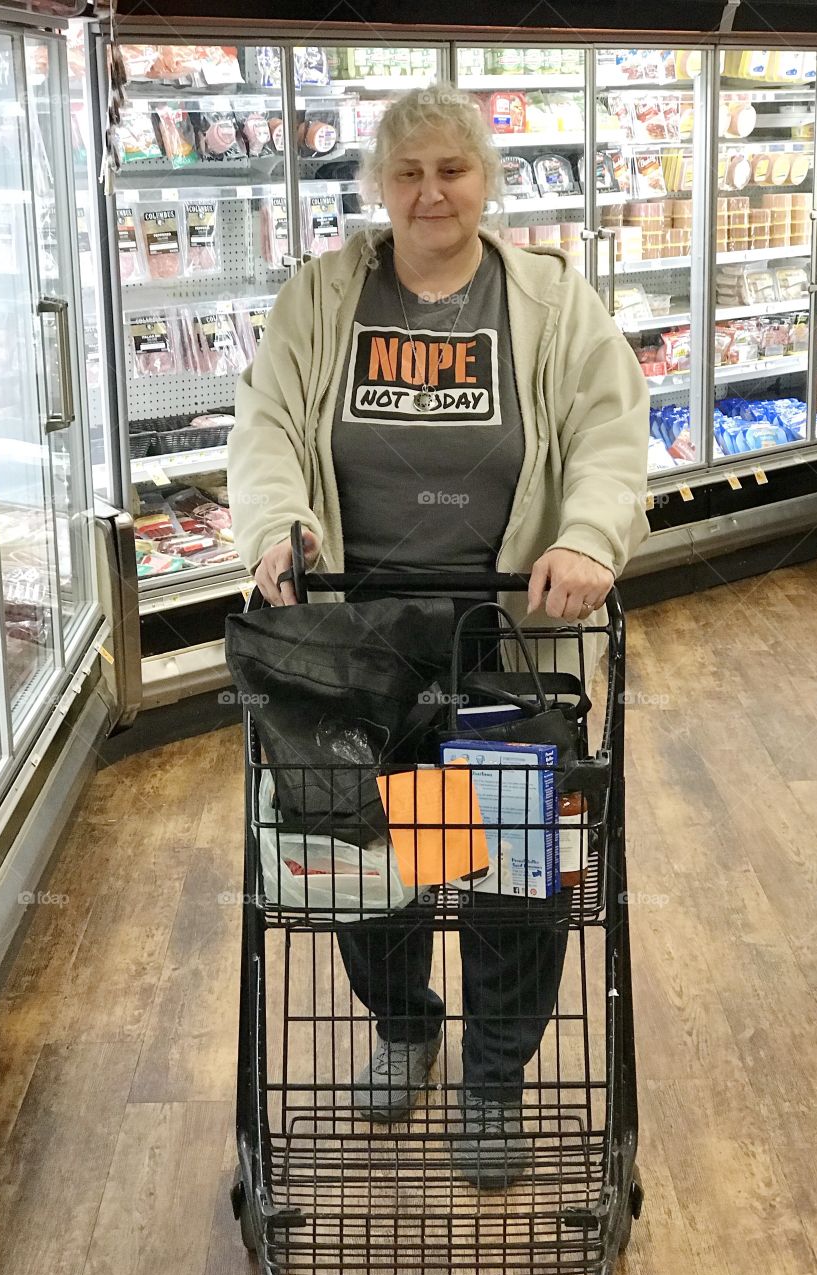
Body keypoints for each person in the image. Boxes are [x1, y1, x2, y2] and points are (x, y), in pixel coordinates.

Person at [228, 82, 650, 1188]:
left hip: (509, 639)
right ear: (378, 185)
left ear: (484, 182)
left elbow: (611, 430)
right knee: (369, 852)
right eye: (408, 172)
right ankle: (407, 1024)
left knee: (514, 869)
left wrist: (593, 535)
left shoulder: (552, 302)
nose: (430, 193)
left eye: (451, 171)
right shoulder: (323, 296)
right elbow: (267, 424)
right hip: (354, 643)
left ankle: (496, 1079)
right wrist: (278, 525)